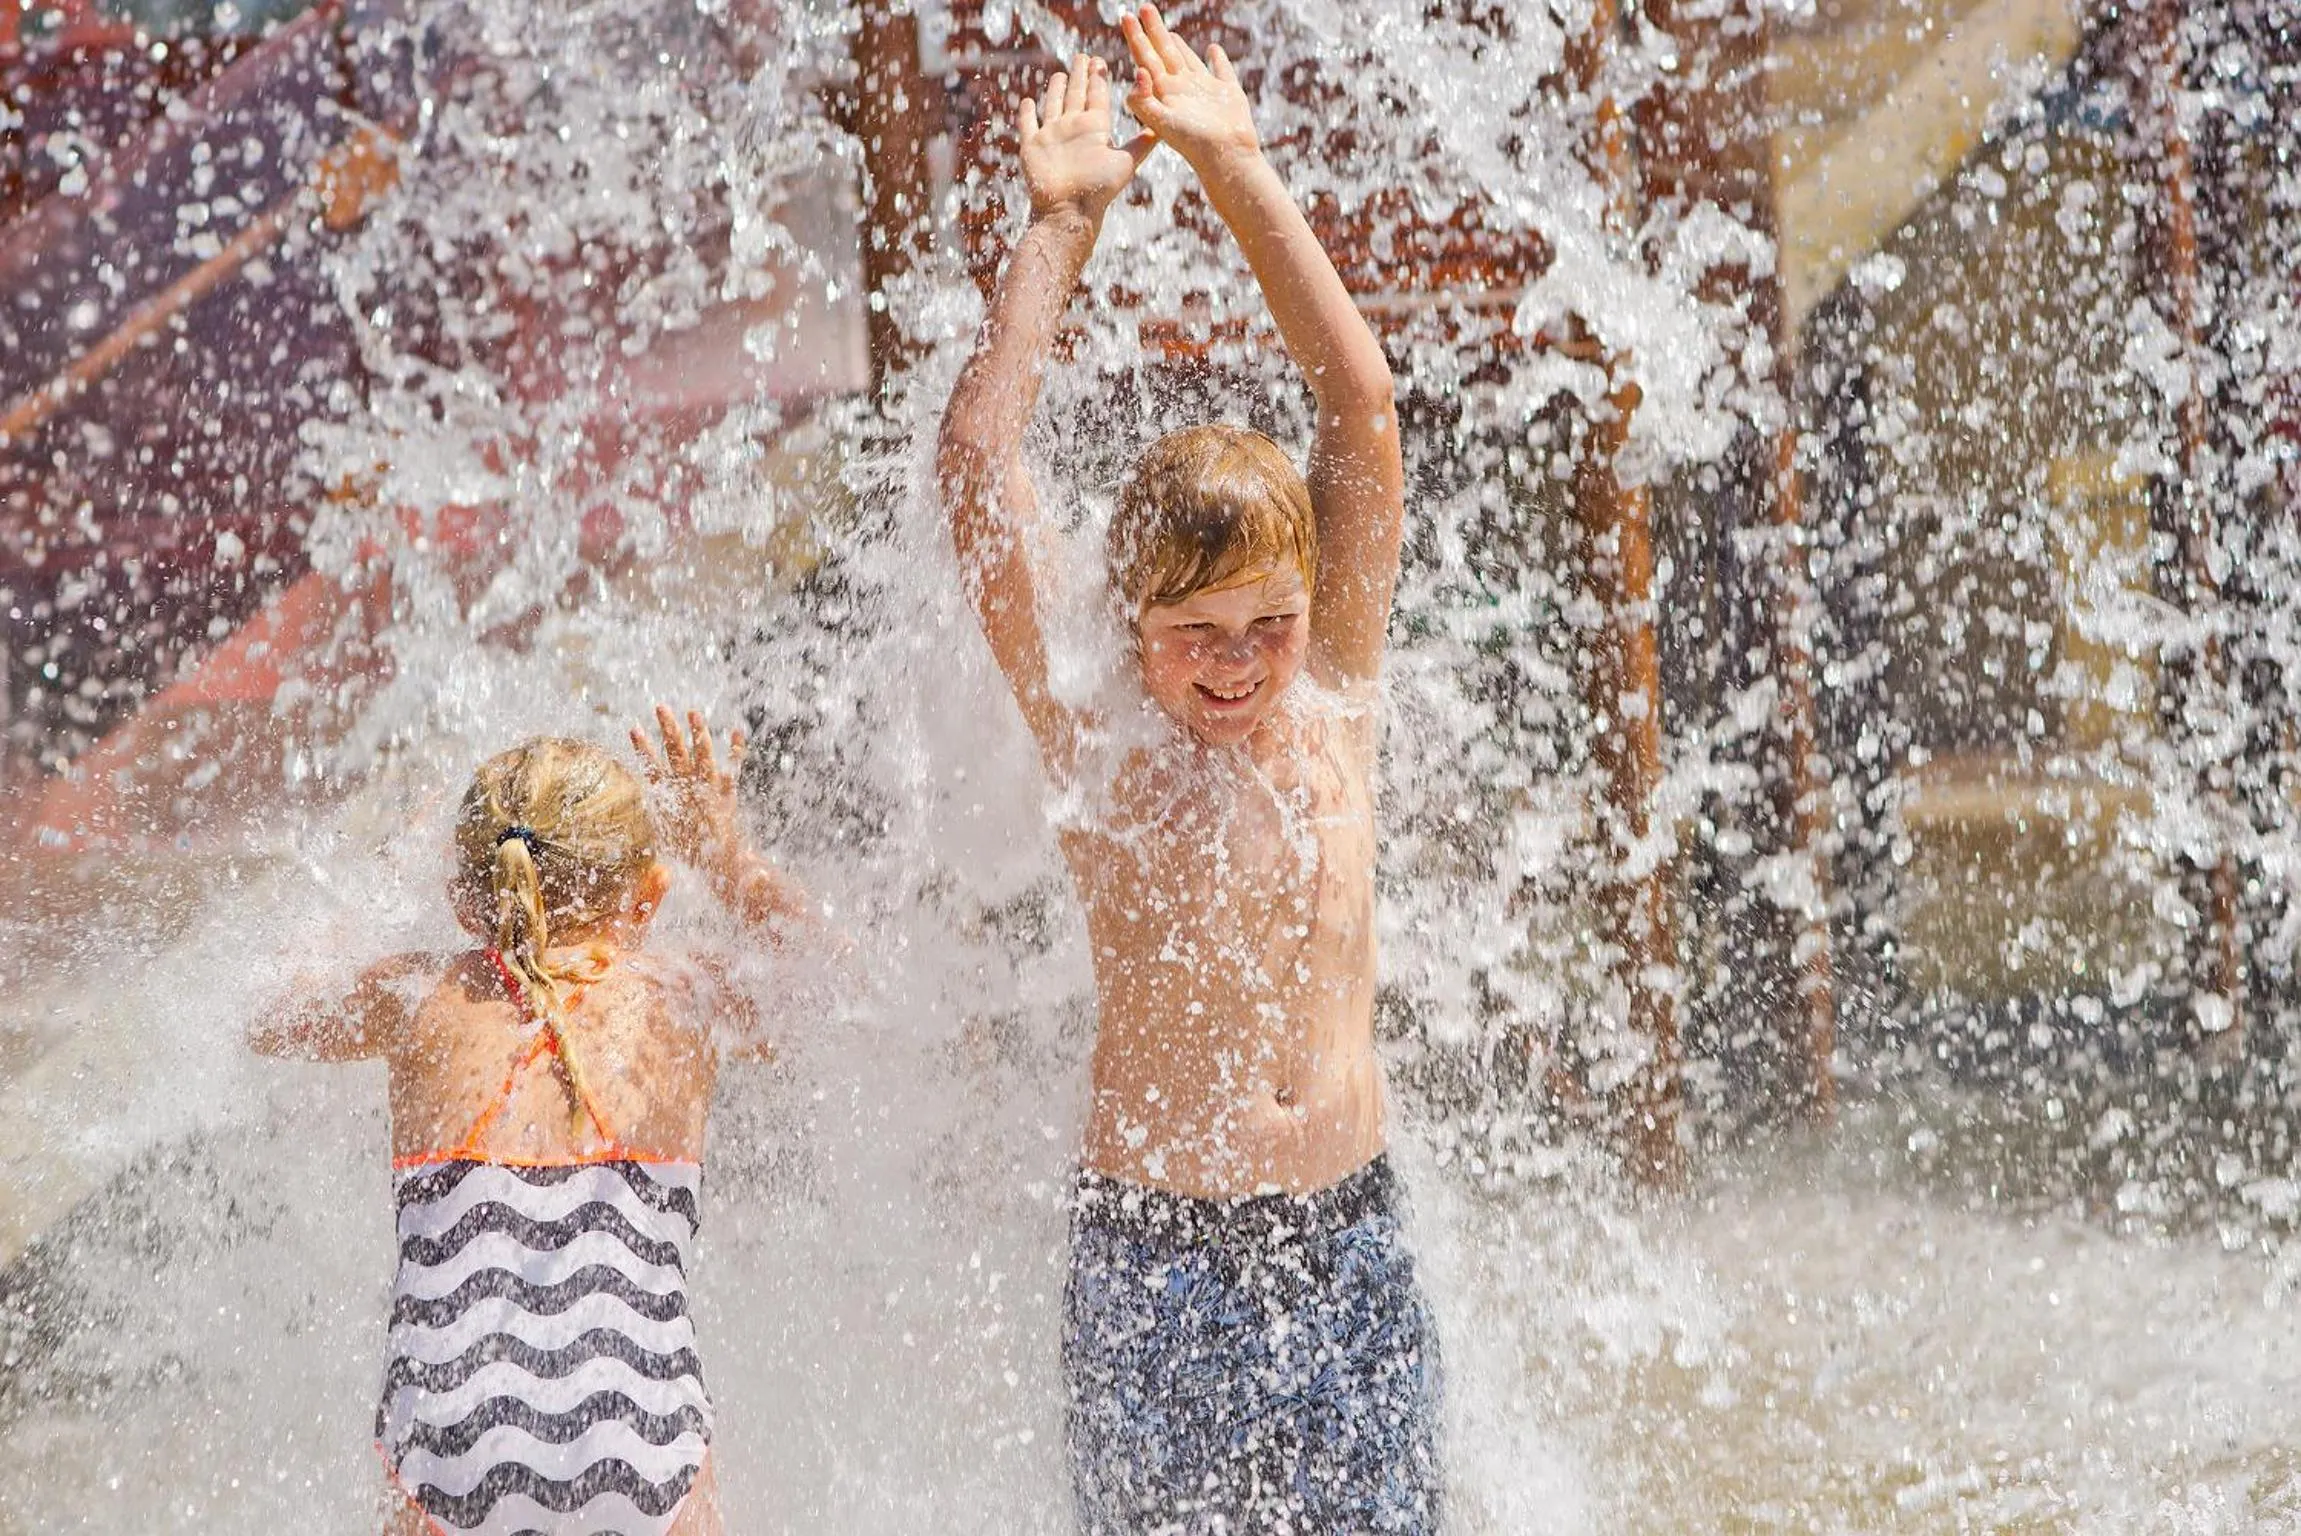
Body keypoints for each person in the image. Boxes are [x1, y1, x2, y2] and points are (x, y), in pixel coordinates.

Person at [935, 7, 1442, 1530]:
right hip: (1154, 1258)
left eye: (1267, 623)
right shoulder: (1098, 744)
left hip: (1349, 1243)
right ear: (1130, 625)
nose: (1236, 663)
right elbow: (977, 469)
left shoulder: (1333, 702)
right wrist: (1060, 228)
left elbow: (1359, 403)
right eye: (1193, 633)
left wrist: (1237, 170)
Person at [252, 708, 818, 1536]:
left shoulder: (418, 997)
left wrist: (385, 872)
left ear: (462, 902)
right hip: (641, 1442)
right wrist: (728, 859)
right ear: (650, 896)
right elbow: (830, 989)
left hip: (448, 1442)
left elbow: (268, 1008)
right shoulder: (681, 998)